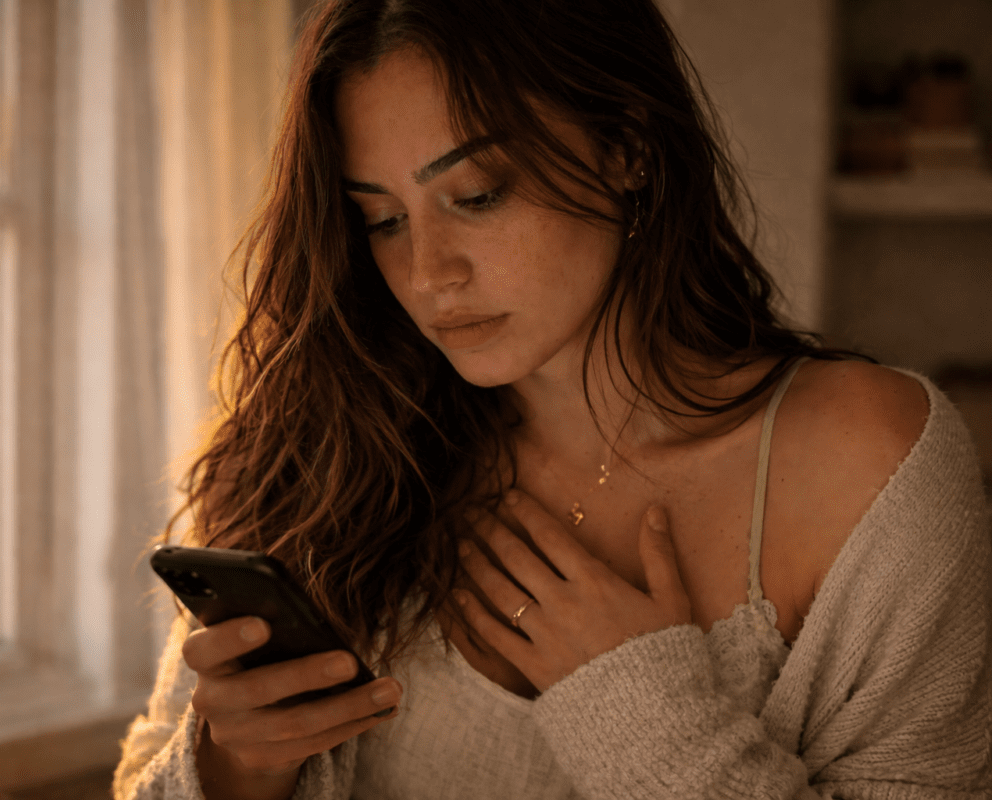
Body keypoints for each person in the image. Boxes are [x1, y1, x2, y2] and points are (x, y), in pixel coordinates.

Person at [114, 1, 991, 798]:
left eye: (477, 196)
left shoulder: (871, 461)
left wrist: (644, 713)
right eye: (383, 220)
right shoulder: (315, 447)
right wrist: (234, 769)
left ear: (628, 149)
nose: (428, 274)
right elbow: (144, 775)